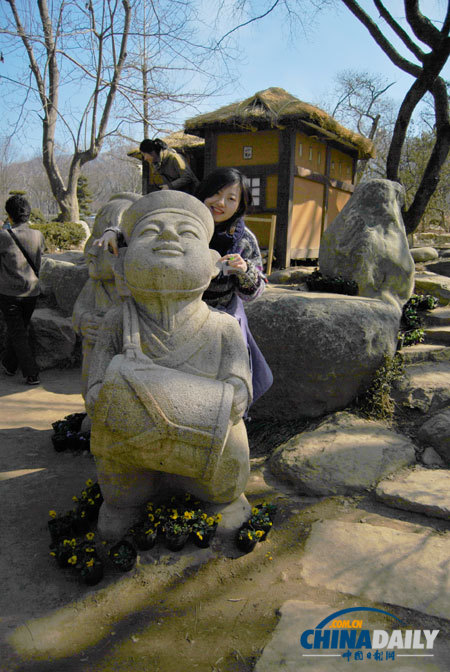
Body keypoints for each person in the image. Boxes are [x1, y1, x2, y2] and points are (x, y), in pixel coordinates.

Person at [95, 166, 273, 405]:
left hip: (218, 311)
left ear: (239, 205)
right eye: (216, 194)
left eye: (231, 199)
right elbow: (143, 228)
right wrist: (113, 232)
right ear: (204, 192)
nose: (220, 202)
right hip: (165, 309)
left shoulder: (243, 239)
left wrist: (244, 270)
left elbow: (256, 290)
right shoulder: (182, 218)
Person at [0, 195, 45, 385]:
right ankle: (9, 365)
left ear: (9, 215)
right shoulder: (38, 235)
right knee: (19, 329)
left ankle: (31, 373)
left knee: (18, 332)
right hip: (32, 292)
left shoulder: (3, 236)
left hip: (9, 293)